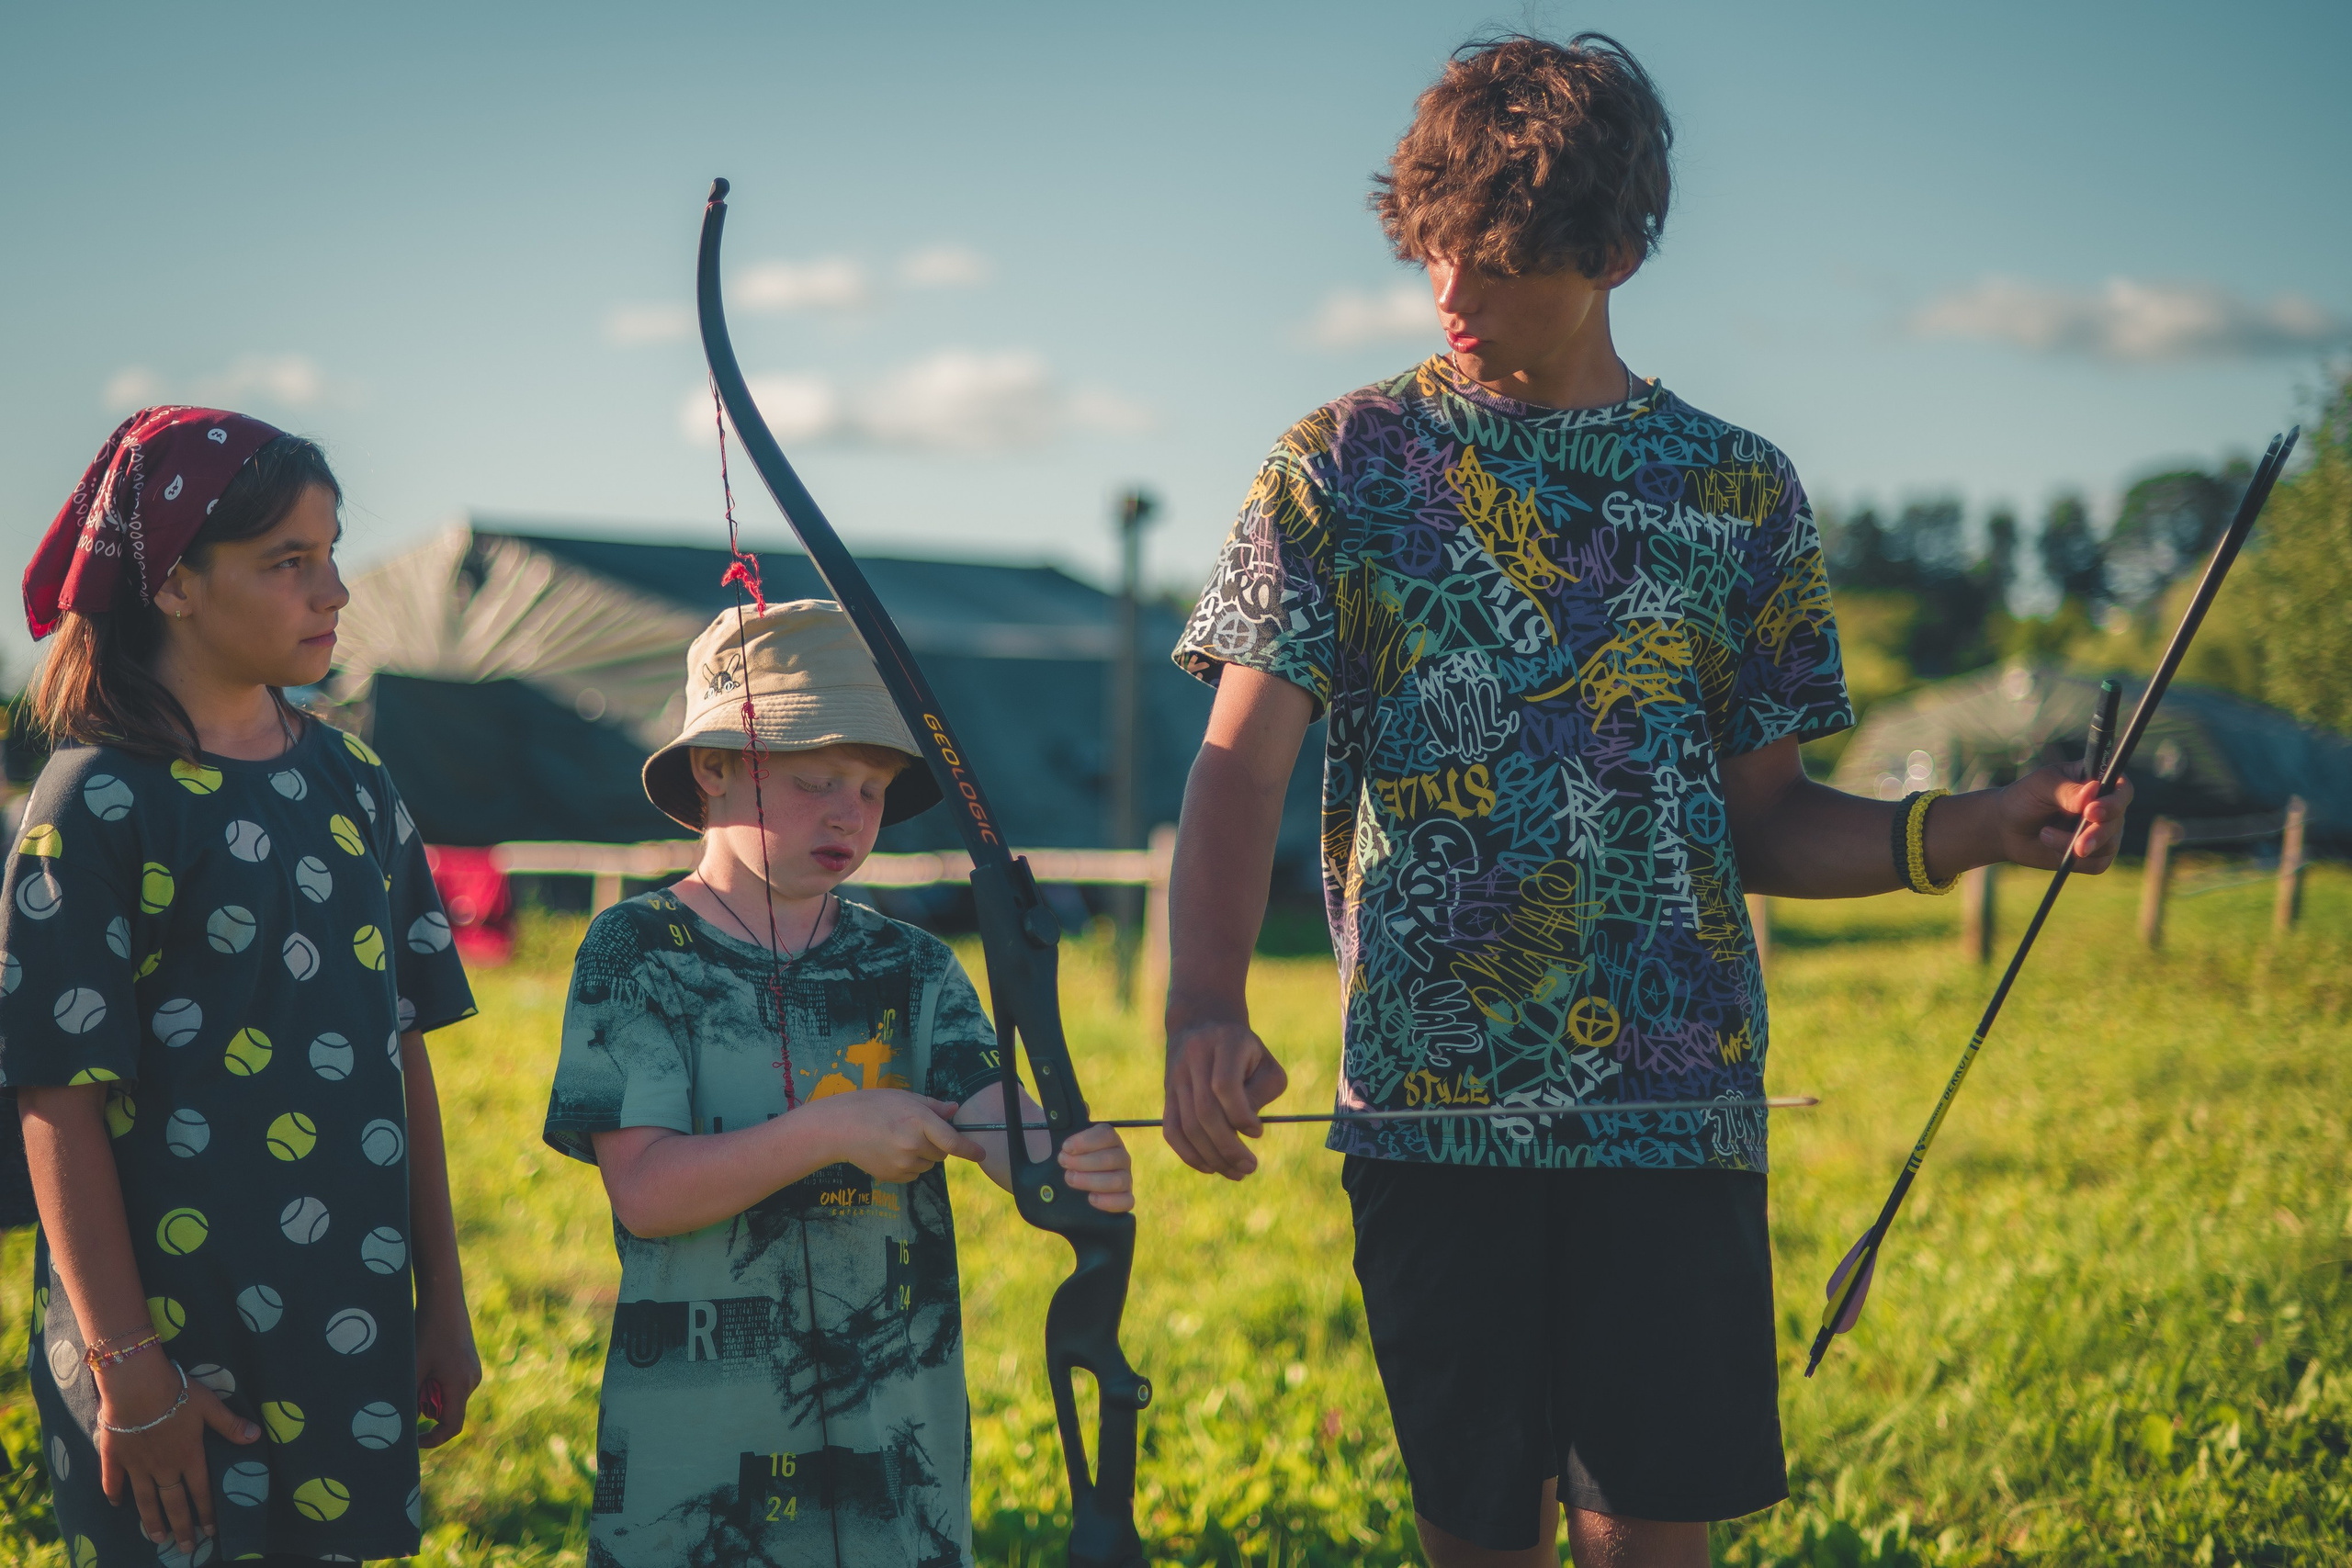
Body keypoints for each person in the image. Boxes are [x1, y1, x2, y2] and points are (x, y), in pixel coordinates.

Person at [1159, 34, 2133, 1568]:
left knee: (1647, 1540)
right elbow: (1238, 767)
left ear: (1612, 255)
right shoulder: (1341, 468)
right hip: (1431, 1108)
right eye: (1432, 252)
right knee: (1480, 1538)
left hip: (1674, 1112)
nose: (1451, 294)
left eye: (1496, 262)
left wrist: (1967, 829)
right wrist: (1204, 1005)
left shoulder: (1739, 492)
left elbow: (1766, 820)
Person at [542, 600, 1133, 1568]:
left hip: (891, 1453)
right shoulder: (637, 951)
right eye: (816, 779)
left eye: (872, 788)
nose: (849, 813)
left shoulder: (912, 965)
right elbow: (646, 1191)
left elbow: (990, 1110)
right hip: (694, 1469)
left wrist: (1059, 1158)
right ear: (714, 765)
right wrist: (834, 1129)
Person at [2, 408, 482, 1566]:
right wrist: (131, 1372)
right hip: (161, 1345)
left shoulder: (357, 782)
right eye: (287, 562)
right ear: (174, 583)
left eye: (331, 553)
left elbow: (401, 1051)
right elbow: (54, 1099)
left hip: (346, 1322)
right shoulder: (96, 802)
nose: (335, 591)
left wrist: (443, 1298)